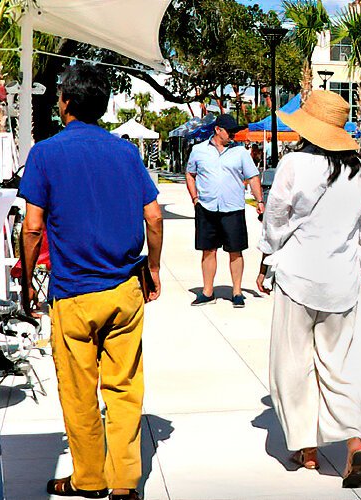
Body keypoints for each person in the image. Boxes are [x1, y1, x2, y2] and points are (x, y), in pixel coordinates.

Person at [18, 65, 162, 500]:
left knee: (79, 392)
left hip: (73, 292)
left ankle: (89, 479)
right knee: (123, 389)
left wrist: (27, 283)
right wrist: (153, 269)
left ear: (65, 103)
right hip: (123, 288)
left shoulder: (45, 153)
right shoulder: (126, 153)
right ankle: (124, 483)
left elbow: (31, 227)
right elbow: (153, 217)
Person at [254, 89, 361, 489]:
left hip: (297, 278)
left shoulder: (293, 163)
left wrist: (265, 261)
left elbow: (275, 220)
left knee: (292, 364)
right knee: (344, 368)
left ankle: (306, 448)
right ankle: (355, 444)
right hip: (342, 283)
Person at [186, 115, 264, 308]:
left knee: (235, 251)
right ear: (218, 130)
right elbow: (190, 173)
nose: (233, 135)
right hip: (207, 207)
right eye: (230, 131)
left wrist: (260, 201)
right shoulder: (198, 150)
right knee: (208, 250)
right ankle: (207, 292)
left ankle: (237, 292)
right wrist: (195, 198)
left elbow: (253, 177)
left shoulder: (240, 153)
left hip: (233, 208)